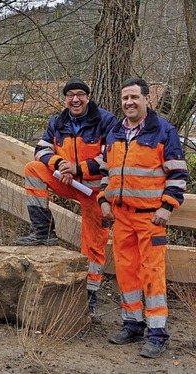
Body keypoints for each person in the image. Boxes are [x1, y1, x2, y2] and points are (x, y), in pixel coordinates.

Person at [97, 78, 188, 358]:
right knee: (126, 272)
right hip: (122, 218)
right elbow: (105, 171)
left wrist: (167, 207)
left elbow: (178, 174)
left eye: (134, 97)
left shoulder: (163, 131)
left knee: (152, 274)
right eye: (125, 98)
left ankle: (157, 332)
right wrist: (103, 199)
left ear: (147, 99)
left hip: (152, 219)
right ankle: (132, 323)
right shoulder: (114, 132)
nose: (129, 103)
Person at [14, 77, 117, 321]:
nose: (75, 99)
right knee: (33, 169)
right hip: (67, 180)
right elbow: (41, 149)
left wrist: (79, 168)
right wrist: (59, 163)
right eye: (70, 95)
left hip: (96, 190)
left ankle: (89, 297)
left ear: (88, 97)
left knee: (93, 244)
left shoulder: (106, 120)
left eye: (80, 94)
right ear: (65, 99)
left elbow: (112, 157)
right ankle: (43, 231)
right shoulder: (58, 122)